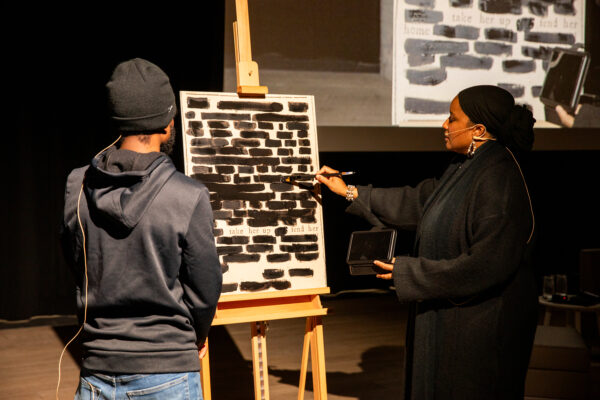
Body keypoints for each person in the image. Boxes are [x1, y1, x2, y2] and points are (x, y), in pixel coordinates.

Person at [316, 85, 538, 399]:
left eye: (452, 119)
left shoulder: (498, 178)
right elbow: (416, 201)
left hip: (482, 329)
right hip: (456, 319)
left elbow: (486, 265)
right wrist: (350, 191)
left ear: (478, 130)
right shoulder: (465, 167)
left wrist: (408, 274)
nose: (444, 126)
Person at [60, 58, 222, 399]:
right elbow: (205, 289)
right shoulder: (188, 196)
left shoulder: (78, 184)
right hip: (169, 371)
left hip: (96, 370)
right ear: (168, 123)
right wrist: (197, 337)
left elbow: (78, 263)